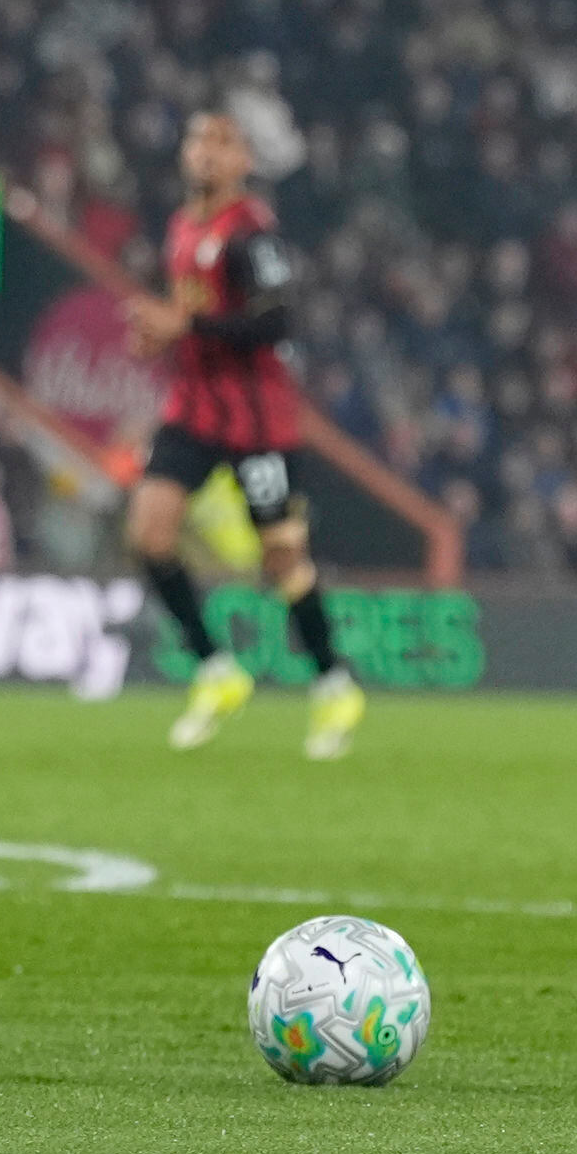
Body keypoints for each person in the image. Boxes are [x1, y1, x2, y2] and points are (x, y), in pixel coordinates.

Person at [130, 109, 365, 761]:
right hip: (192, 408)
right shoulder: (181, 228)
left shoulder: (252, 234)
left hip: (256, 414)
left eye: (222, 142)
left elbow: (275, 322)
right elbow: (191, 315)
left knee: (281, 556)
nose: (206, 151)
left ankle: (334, 680)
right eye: (197, 138)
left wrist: (186, 330)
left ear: (244, 162)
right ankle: (214, 668)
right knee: (149, 533)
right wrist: (160, 331)